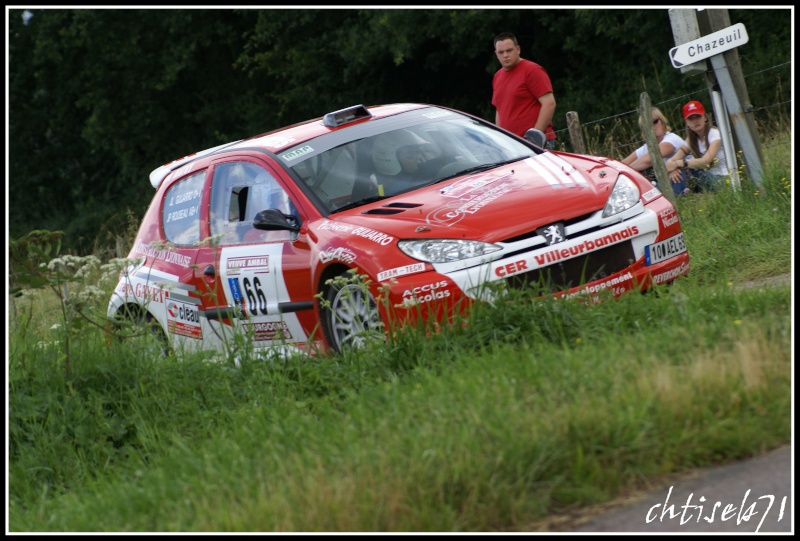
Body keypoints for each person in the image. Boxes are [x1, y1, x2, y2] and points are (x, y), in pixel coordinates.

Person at [491, 32, 557, 150]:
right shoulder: (497, 76)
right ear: (496, 54)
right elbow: (499, 110)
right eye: (501, 52)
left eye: (509, 50)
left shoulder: (532, 70)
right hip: (512, 146)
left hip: (537, 143)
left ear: (518, 49)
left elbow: (549, 103)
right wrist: (501, 138)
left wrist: (536, 134)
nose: (505, 55)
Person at [621, 107, 689, 196]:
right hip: (666, 181)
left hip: (688, 176)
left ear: (662, 122)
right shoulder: (646, 147)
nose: (652, 126)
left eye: (655, 121)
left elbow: (650, 159)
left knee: (676, 174)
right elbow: (621, 164)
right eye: (648, 124)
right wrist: (620, 172)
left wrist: (625, 171)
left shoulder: (671, 139)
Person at [665, 100, 730, 193]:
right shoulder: (691, 139)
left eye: (698, 116)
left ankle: (674, 198)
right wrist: (673, 168)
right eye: (691, 118)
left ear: (705, 118)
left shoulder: (714, 134)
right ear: (687, 123)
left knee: (692, 170)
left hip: (723, 180)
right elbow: (671, 161)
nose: (695, 121)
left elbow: (706, 162)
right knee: (680, 172)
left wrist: (679, 164)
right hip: (706, 178)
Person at [370, 130, 435, 196]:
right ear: (390, 159)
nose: (418, 157)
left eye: (417, 151)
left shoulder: (428, 173)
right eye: (410, 154)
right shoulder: (381, 195)